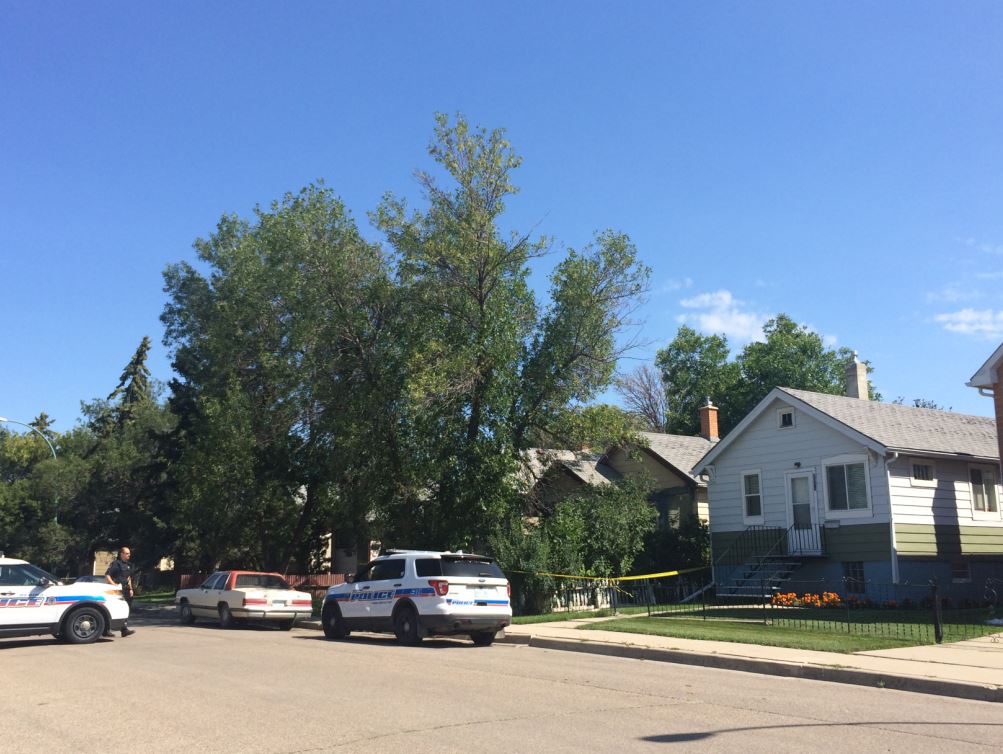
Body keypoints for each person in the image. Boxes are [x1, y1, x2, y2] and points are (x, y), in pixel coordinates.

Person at [105, 546, 136, 637]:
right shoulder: (116, 564)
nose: (128, 555)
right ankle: (106, 630)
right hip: (117, 591)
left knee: (126, 609)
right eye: (126, 553)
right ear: (121, 554)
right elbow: (107, 575)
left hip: (126, 589)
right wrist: (113, 585)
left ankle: (124, 629)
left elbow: (128, 577)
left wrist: (131, 589)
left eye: (129, 553)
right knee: (113, 609)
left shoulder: (128, 565)